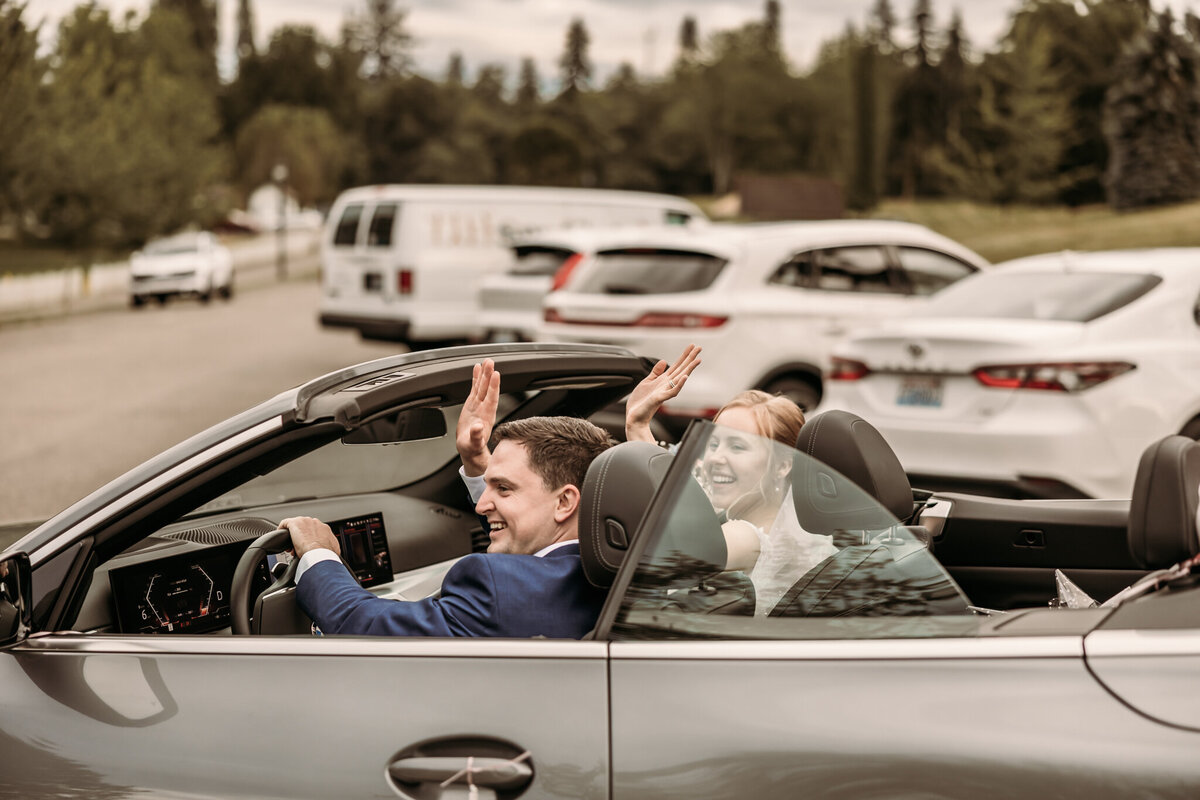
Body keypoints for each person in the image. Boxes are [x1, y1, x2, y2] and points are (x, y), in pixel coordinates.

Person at [280, 359, 616, 638]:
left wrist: (318, 554)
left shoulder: (496, 587)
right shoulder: (624, 565)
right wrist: (477, 464)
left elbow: (362, 624)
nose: (482, 505)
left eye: (503, 488)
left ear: (565, 503)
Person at [626, 350, 834, 614]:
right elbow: (678, 497)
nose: (714, 458)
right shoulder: (795, 531)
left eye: (737, 446)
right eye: (712, 443)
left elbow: (672, 542)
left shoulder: (747, 538)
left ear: (782, 465)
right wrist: (639, 425)